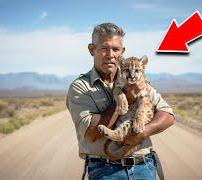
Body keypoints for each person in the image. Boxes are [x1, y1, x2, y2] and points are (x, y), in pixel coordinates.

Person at [66, 22, 175, 180]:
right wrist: (124, 100)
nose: (110, 54)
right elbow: (91, 134)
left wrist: (143, 132)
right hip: (105, 171)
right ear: (92, 49)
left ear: (122, 52)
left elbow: (168, 115)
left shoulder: (136, 77)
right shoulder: (80, 87)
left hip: (143, 166)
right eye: (104, 48)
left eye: (116, 49)